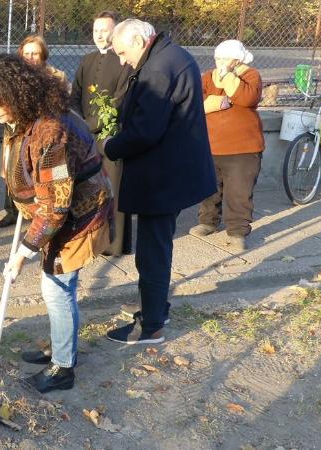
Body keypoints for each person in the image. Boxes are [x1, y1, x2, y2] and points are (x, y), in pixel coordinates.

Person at [0, 54, 114, 391]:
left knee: (57, 287)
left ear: (17, 94)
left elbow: (56, 206)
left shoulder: (51, 134)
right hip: (56, 213)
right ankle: (60, 347)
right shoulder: (26, 118)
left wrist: (21, 255)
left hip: (77, 216)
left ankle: (63, 367)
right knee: (57, 287)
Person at [102, 19, 216, 344]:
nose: (122, 61)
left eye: (123, 53)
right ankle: (153, 304)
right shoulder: (169, 55)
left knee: (152, 251)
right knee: (157, 246)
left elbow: (145, 131)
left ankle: (150, 325)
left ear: (139, 41)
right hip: (173, 172)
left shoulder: (158, 68)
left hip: (163, 178)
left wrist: (110, 146)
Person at [69, 11, 133, 256]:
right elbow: (75, 95)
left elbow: (120, 100)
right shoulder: (87, 60)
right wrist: (79, 123)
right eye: (96, 30)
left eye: (104, 30)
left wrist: (92, 125)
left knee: (113, 189)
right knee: (89, 191)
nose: (99, 35)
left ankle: (114, 244)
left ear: (115, 31)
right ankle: (91, 239)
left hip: (111, 136)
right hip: (85, 135)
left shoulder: (123, 61)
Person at [191, 40, 264, 252]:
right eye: (217, 58)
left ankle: (238, 232)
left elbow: (247, 98)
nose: (219, 62)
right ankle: (208, 222)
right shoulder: (207, 77)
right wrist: (212, 102)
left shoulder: (250, 75)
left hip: (244, 148)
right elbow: (195, 99)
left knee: (239, 192)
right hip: (211, 145)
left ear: (238, 59)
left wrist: (229, 77)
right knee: (210, 188)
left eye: (225, 58)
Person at [0, 34, 69, 229]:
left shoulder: (56, 77)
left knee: (42, 173)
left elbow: (63, 106)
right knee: (12, 171)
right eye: (27, 53)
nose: (30, 57)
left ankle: (45, 213)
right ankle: (11, 211)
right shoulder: (14, 77)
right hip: (16, 131)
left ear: (43, 55)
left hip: (43, 134)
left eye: (35, 53)